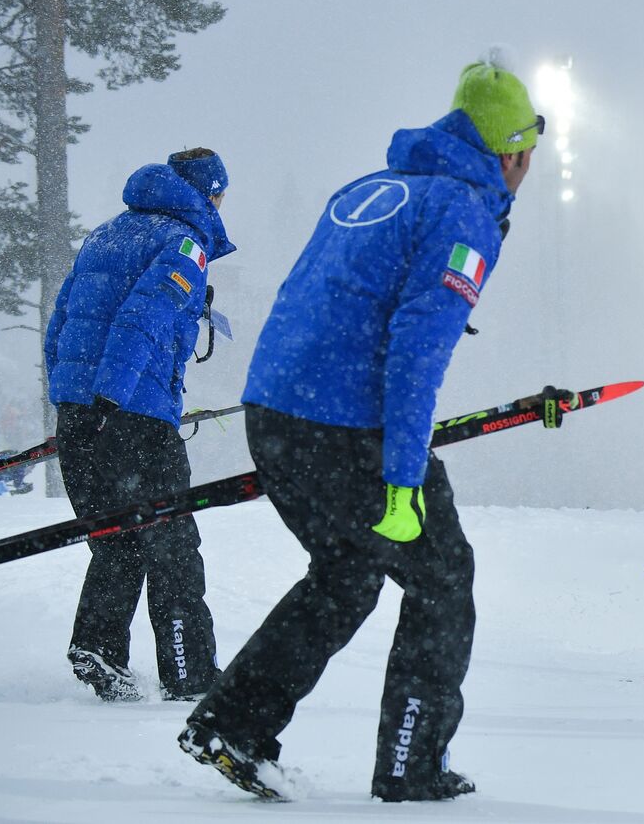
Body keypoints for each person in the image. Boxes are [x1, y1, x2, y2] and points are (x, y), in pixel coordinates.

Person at [179, 49, 564, 803]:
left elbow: (311, 294)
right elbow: (417, 352)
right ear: (511, 151)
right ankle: (410, 763)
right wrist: (402, 477)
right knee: (443, 577)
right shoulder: (463, 212)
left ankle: (233, 723)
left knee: (347, 574)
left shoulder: (374, 188)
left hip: (278, 408)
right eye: (528, 152)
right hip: (347, 424)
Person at [45, 148, 235, 701]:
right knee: (172, 541)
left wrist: (76, 402)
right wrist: (114, 400)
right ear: (208, 194)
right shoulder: (184, 244)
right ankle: (189, 673)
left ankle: (99, 649)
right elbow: (142, 319)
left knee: (117, 539)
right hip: (132, 416)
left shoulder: (106, 234)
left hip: (80, 412)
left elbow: (60, 324)